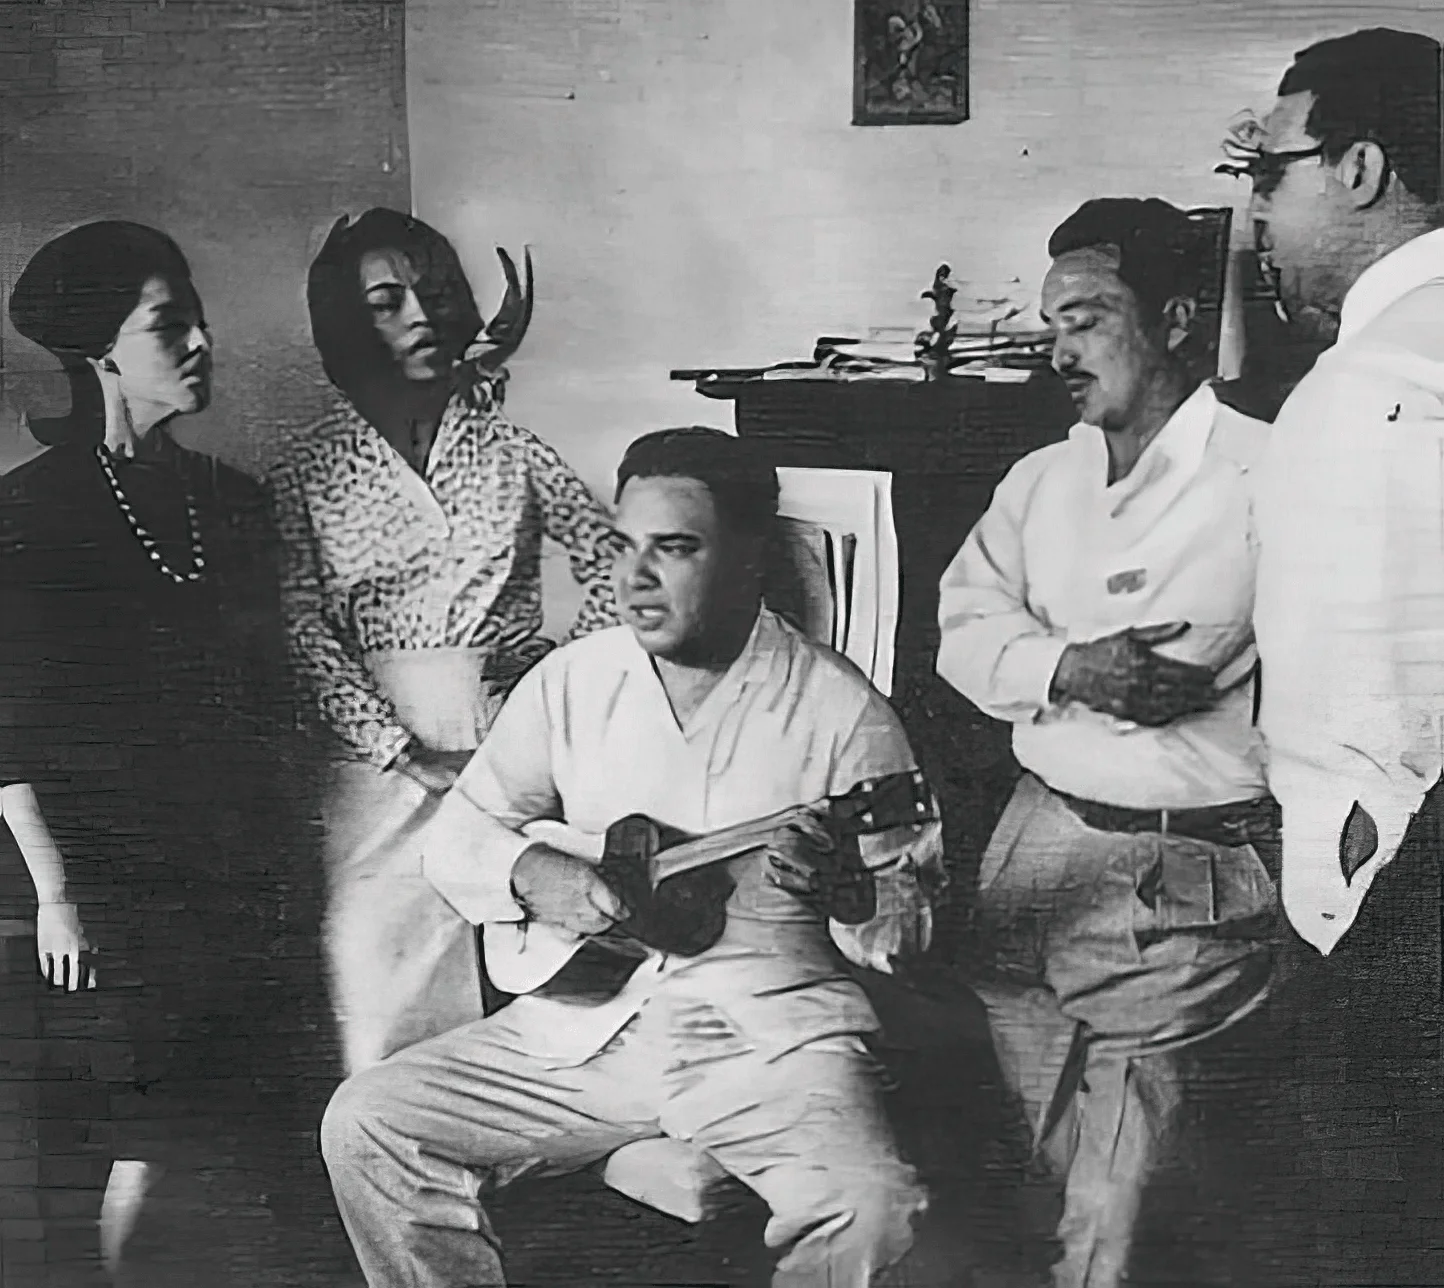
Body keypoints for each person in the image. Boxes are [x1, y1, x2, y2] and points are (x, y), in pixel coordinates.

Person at [319, 426, 947, 1288]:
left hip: (767, 1041)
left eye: (675, 548)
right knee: (369, 1120)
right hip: (588, 1031)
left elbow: (908, 931)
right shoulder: (574, 680)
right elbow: (461, 834)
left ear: (750, 558)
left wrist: (850, 896)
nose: (633, 578)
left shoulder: (844, 713)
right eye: (623, 546)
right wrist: (531, 873)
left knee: (872, 1208)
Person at [935, 198, 1279, 1288]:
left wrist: (1034, 655)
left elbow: (1184, 654)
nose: (1058, 352)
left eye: (1085, 319)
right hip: (1032, 855)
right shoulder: (1043, 479)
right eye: (1050, 326)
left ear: (1175, 319)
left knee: (1112, 1215)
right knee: (1043, 1181)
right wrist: (1071, 667)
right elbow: (960, 634)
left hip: (1179, 874)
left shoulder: (1264, 473)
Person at [270, 208, 624, 1077]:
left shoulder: (510, 450)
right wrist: (402, 752)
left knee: (521, 983)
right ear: (349, 324)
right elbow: (299, 625)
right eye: (386, 302)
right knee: (376, 989)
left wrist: (551, 672)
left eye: (432, 293)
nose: (420, 316)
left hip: (507, 747)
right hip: (370, 769)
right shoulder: (308, 466)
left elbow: (620, 567)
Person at [2, 220, 290, 1277]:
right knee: (138, 1143)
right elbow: (10, 726)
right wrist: (58, 892)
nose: (204, 341)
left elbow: (264, 704)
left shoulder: (234, 503)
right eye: (172, 324)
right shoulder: (30, 512)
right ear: (101, 352)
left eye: (199, 318)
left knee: (217, 1145)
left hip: (227, 877)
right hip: (96, 887)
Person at [1226, 27, 1444, 1281]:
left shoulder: (1378, 377)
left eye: (1267, 174)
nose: (1256, 213)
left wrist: (1342, 880)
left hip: (1400, 901)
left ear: (1359, 169)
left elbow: (1383, 690)